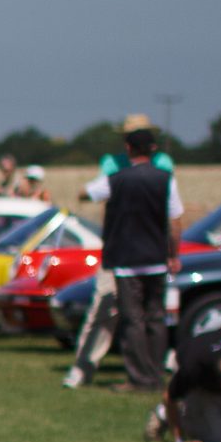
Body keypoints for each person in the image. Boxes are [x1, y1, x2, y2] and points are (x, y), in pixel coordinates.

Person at [65, 116, 180, 388]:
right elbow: (175, 220)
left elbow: (87, 193)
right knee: (152, 317)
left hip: (125, 256)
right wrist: (173, 254)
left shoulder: (116, 175)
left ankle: (140, 377)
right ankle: (152, 374)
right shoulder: (164, 175)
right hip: (154, 256)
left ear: (128, 145)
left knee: (133, 320)